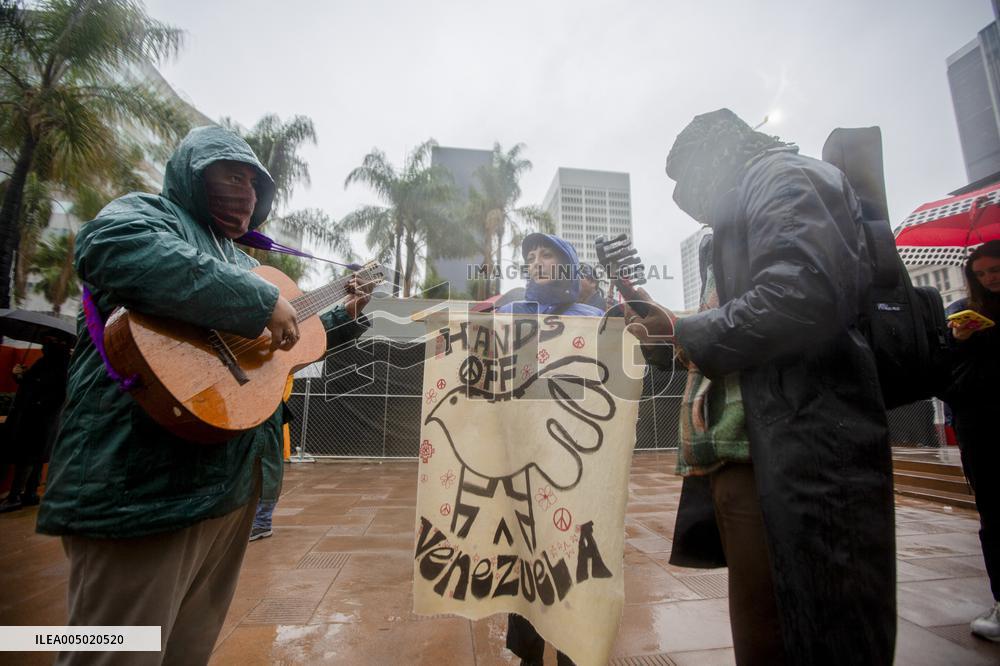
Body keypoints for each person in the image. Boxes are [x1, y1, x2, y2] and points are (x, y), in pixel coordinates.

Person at [36, 126, 371, 666]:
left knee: (187, 650)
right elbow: (110, 247)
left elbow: (277, 348)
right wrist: (256, 300)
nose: (245, 192)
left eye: (254, 182)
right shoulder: (150, 215)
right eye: (230, 174)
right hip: (138, 494)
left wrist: (341, 314)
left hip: (226, 491)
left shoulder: (241, 260)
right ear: (192, 174)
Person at [625, 109, 895, 664]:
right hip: (748, 451)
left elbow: (800, 297)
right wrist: (667, 332)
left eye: (688, 178)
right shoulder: (741, 207)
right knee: (766, 633)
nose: (684, 197)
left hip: (797, 447)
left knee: (814, 630)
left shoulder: (784, 178)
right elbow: (735, 326)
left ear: (721, 153)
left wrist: (683, 330)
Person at [497, 232, 599, 666]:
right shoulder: (510, 314)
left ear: (568, 265)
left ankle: (574, 646)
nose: (537, 262)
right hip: (523, 457)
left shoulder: (594, 318)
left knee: (576, 559)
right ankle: (528, 654)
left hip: (578, 461)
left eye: (547, 255)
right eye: (531, 256)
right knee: (526, 558)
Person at [945, 240, 1000, 641]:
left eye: (993, 269)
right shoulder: (964, 314)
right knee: (993, 516)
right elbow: (945, 367)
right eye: (980, 274)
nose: (988, 278)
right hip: (981, 423)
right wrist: (960, 340)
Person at [0, 335, 71, 512]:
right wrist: (20, 377)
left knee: (28, 457)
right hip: (44, 418)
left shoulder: (59, 365)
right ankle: (30, 493)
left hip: (38, 417)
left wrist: (23, 377)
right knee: (37, 456)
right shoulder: (51, 362)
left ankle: (15, 495)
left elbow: (43, 388)